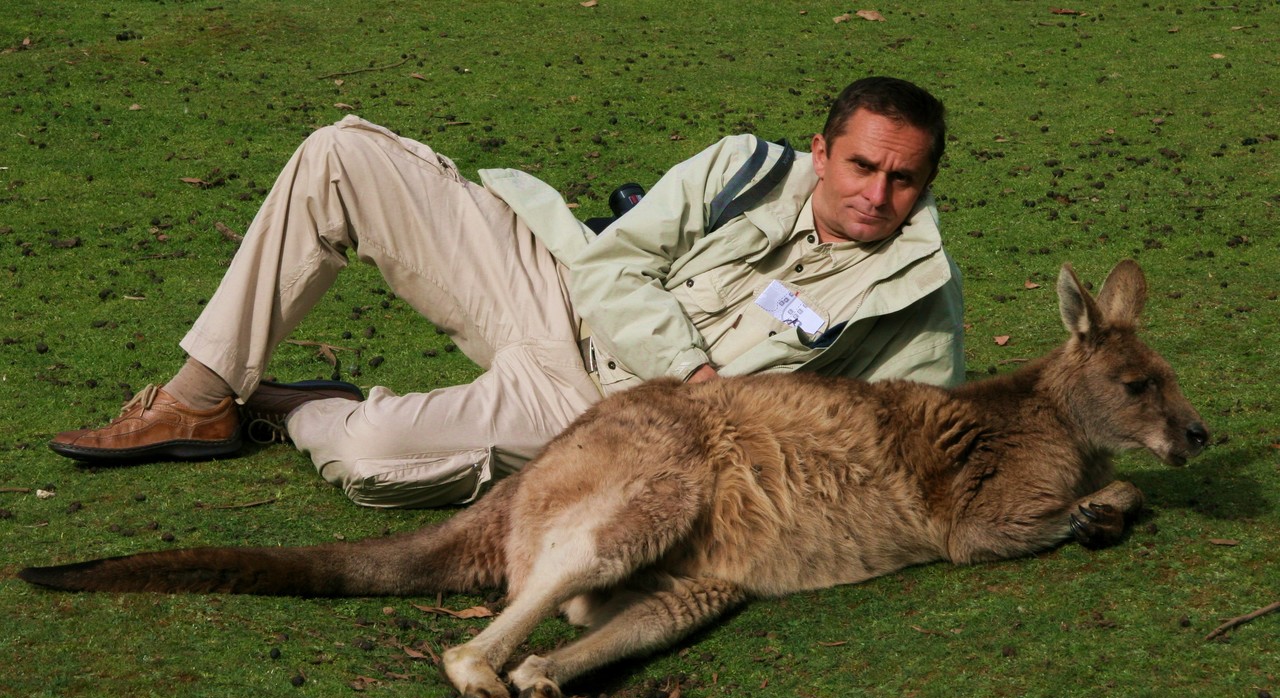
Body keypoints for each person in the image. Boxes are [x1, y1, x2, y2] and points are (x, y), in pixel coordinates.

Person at [49, 76, 965, 509]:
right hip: (555, 291)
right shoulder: (744, 167)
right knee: (342, 157)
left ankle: (305, 408)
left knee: (373, 458)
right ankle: (198, 400)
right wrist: (694, 370)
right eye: (861, 166)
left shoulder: (914, 294)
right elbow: (611, 266)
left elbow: (916, 446)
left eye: (903, 181)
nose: (876, 196)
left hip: (596, 413)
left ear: (926, 185)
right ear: (822, 151)